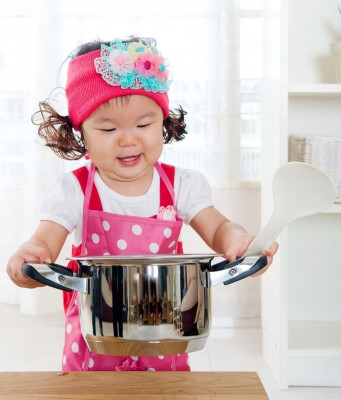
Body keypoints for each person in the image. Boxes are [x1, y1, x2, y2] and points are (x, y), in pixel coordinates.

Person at [6, 36, 278, 372]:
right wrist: (31, 259)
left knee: (165, 393)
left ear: (163, 122)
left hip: (163, 336)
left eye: (144, 124)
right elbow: (44, 240)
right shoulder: (73, 189)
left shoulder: (181, 185)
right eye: (108, 128)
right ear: (81, 135)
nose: (128, 139)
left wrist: (239, 242)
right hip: (94, 340)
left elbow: (219, 227)